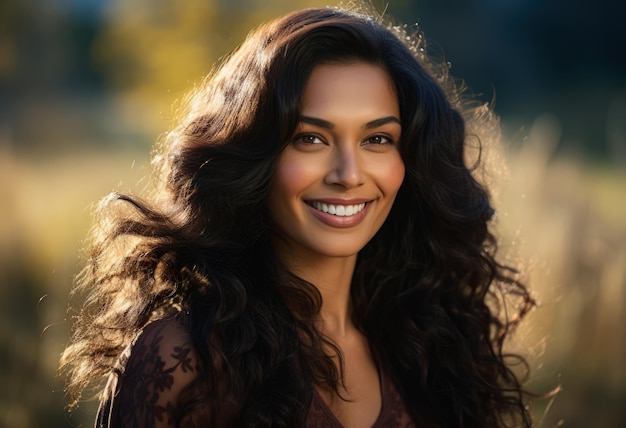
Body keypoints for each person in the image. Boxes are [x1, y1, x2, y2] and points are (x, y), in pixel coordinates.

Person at [60, 4, 535, 427]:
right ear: (254, 156)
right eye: (311, 138)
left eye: (377, 139)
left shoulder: (428, 342)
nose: (349, 175)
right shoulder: (184, 360)